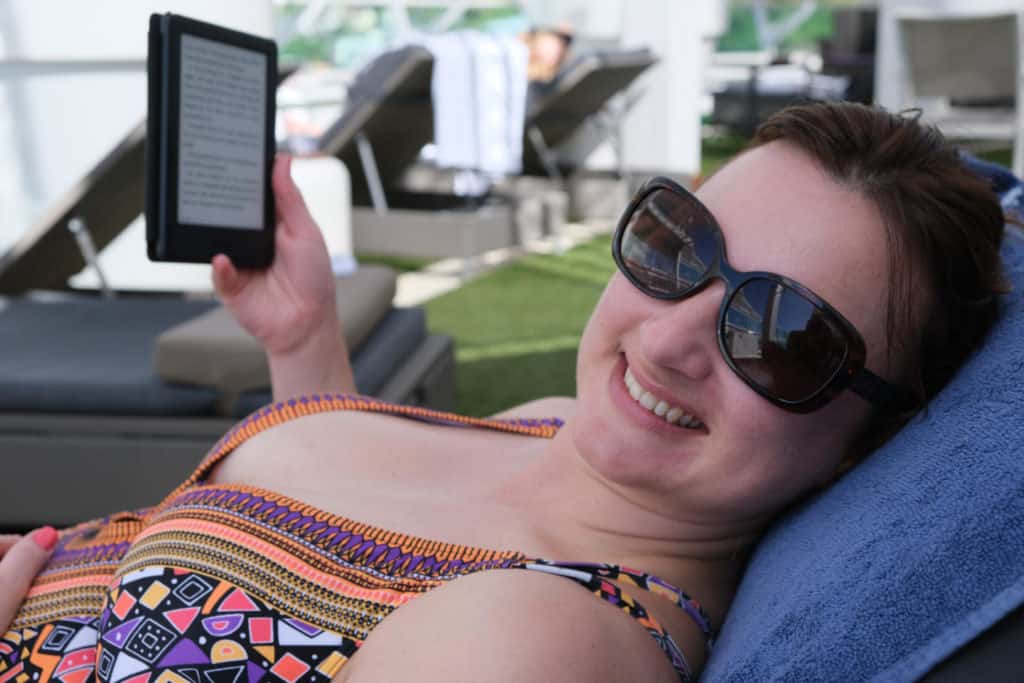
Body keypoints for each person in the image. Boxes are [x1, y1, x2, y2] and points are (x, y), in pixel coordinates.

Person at [1, 102, 1008, 682]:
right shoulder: (559, 433)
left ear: (860, 439)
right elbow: (324, 588)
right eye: (677, 246)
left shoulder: (531, 640)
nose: (665, 339)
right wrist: (305, 348)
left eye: (783, 338)